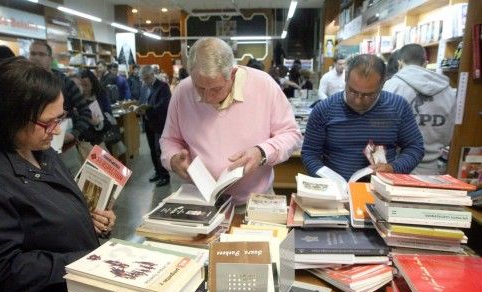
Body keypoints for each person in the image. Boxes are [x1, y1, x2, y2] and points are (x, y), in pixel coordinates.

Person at [0, 57, 116, 292]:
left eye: (60, 118)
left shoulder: (40, 149)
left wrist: (87, 220)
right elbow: (3, 269)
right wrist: (85, 260)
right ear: (11, 115)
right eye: (48, 122)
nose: (56, 130)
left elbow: (49, 211)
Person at [160, 37, 302, 205]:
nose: (206, 97)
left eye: (216, 89)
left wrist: (262, 153)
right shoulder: (182, 91)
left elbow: (292, 135)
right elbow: (170, 139)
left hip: (255, 200)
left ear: (233, 74)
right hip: (203, 200)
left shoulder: (264, 85)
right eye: (199, 87)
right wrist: (172, 158)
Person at [302, 54, 424, 181]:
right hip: (335, 191)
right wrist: (325, 179)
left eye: (368, 95)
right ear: (346, 79)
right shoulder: (324, 110)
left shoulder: (398, 107)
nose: (358, 101)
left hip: (382, 188)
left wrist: (394, 168)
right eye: (352, 91)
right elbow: (310, 153)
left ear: (382, 84)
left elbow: (415, 147)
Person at [383, 44, 456, 175]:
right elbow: (448, 136)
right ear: (425, 63)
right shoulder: (449, 91)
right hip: (432, 170)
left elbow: (381, 130)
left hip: (397, 168)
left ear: (399, 63)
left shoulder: (392, 86)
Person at [29, 40, 92, 175]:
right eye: (33, 53)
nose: (36, 58)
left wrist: (74, 133)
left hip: (65, 150)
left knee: (75, 187)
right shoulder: (24, 85)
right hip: (34, 152)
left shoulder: (65, 83)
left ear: (50, 59)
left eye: (41, 54)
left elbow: (85, 111)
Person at [137, 65, 171, 187]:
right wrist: (139, 108)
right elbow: (141, 101)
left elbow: (164, 105)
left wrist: (148, 110)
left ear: (152, 75)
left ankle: (165, 176)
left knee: (159, 150)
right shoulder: (144, 87)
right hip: (147, 122)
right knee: (152, 149)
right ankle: (157, 172)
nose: (145, 81)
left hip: (159, 123)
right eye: (143, 79)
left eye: (147, 78)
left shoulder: (163, 86)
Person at [79, 69, 116, 147]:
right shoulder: (77, 98)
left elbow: (109, 118)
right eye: (81, 85)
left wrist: (99, 123)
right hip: (86, 140)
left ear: (93, 84)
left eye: (86, 85)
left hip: (103, 137)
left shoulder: (100, 96)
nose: (83, 88)